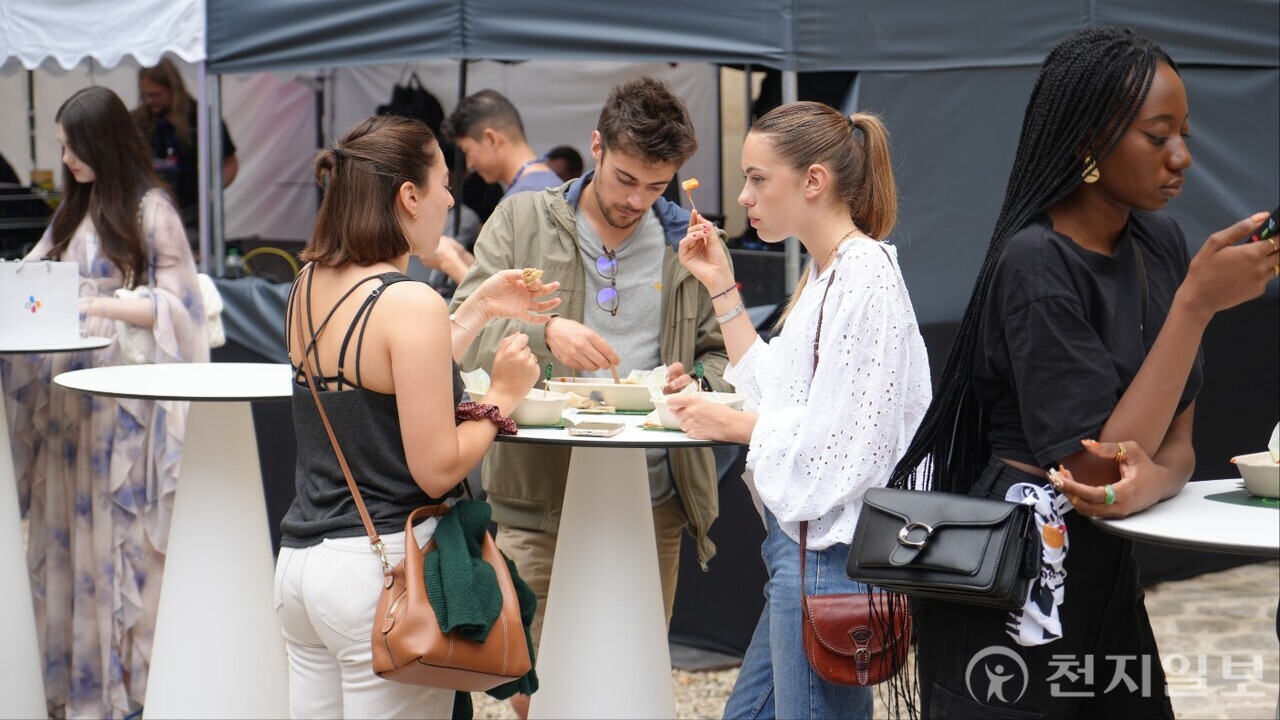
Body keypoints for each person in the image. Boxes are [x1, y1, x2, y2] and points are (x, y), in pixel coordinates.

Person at [887, 26, 1279, 717]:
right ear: (1088, 144)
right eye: (1157, 136)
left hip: (1105, 574)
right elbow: (1097, 471)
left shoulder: (1161, 243)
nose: (1182, 157)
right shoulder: (1036, 263)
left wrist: (1153, 480)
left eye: (1185, 134)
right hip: (1018, 580)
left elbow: (1174, 442)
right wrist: (1195, 306)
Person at [449, 75, 729, 718]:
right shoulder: (522, 218)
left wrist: (697, 382)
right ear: (596, 146)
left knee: (626, 672)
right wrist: (545, 332)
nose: (636, 199)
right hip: (537, 494)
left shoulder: (688, 245)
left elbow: (720, 353)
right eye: (626, 178)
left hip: (653, 496)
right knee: (531, 682)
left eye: (656, 186)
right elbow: (461, 331)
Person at [275, 113, 560, 718]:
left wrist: (478, 307)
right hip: (382, 570)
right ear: (409, 195)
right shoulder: (410, 301)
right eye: (443, 185)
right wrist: (502, 397)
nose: (451, 200)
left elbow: (387, 376)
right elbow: (436, 469)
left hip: (303, 568)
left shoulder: (308, 283)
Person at [667, 101, 932, 719]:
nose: (744, 196)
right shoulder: (829, 273)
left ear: (814, 180)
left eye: (758, 178)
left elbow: (851, 446)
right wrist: (720, 285)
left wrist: (732, 424)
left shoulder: (863, 276)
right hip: (807, 550)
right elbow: (777, 391)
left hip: (832, 555)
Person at [0, 86, 209, 718]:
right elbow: (32, 276)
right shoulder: (72, 211)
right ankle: (75, 688)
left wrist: (99, 303)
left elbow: (182, 306)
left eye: (72, 147)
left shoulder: (151, 211)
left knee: (125, 544)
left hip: (122, 407)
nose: (65, 160)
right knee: (70, 542)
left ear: (102, 143)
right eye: (62, 148)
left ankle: (132, 693)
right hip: (70, 409)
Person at [133, 58, 239, 240]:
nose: (149, 101)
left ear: (173, 89)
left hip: (194, 214)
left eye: (156, 95)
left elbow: (230, 162)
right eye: (145, 95)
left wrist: (211, 192)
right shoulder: (138, 121)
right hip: (150, 211)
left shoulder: (202, 118)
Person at [443, 89, 563, 200]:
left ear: (491, 139)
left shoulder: (523, 198)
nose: (470, 165)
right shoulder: (554, 185)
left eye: (467, 151)